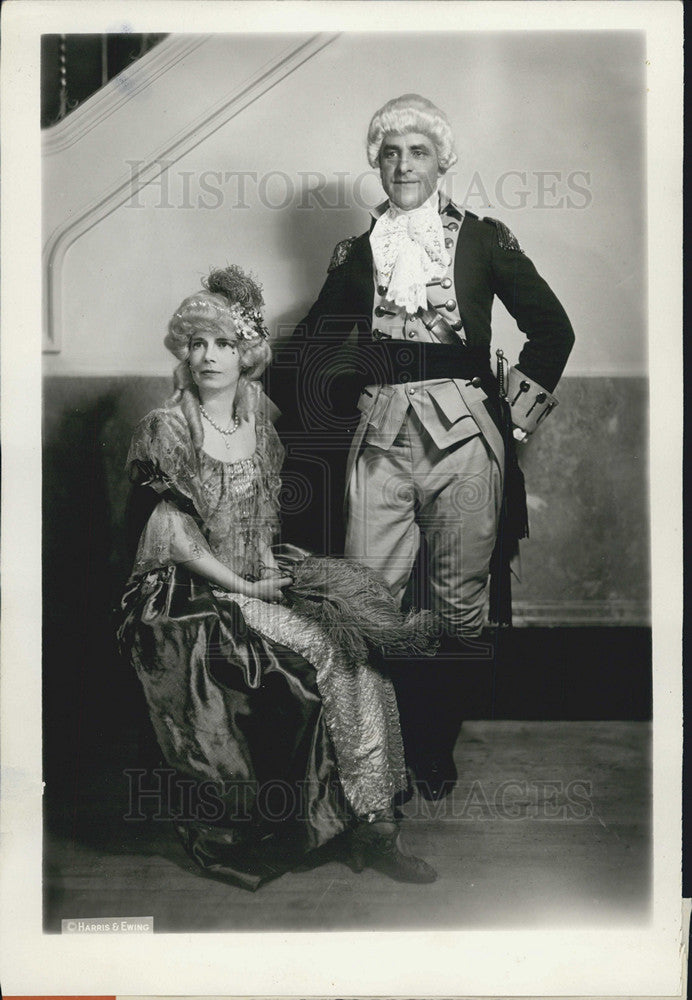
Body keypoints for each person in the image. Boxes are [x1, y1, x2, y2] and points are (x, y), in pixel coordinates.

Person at [268, 94, 575, 802]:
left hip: (467, 441)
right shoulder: (358, 254)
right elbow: (310, 347)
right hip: (381, 440)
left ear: (443, 162)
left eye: (418, 152)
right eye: (390, 151)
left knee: (456, 606)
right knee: (366, 602)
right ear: (376, 161)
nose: (403, 164)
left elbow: (553, 331)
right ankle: (375, 753)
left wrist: (514, 421)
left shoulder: (487, 240)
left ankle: (434, 749)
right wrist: (326, 396)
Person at [117, 265, 438, 891]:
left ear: (247, 355)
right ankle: (342, 824)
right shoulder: (169, 427)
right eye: (197, 343)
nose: (208, 357)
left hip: (253, 573)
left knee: (360, 653)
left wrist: (272, 568)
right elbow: (172, 538)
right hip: (188, 592)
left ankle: (376, 825)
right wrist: (247, 587)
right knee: (321, 653)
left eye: (224, 344)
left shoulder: (257, 419)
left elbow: (260, 517)